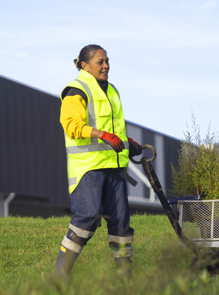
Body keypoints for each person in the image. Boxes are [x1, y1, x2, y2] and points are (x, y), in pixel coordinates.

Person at [51, 44, 142, 280]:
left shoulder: (112, 90)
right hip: (89, 168)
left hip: (115, 167)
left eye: (107, 61)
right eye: (100, 62)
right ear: (85, 65)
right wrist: (103, 135)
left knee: (121, 223)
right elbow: (71, 125)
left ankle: (125, 277)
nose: (106, 66)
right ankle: (60, 274)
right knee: (88, 217)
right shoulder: (76, 89)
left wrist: (126, 141)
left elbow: (114, 128)